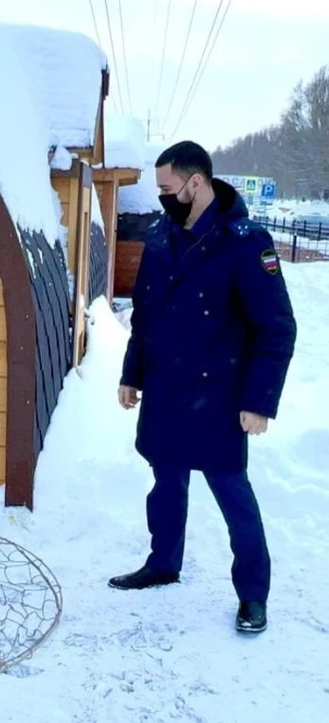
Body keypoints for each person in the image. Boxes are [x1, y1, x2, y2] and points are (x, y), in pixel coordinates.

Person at [110, 140, 296, 634]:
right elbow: (145, 315)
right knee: (166, 486)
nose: (163, 199)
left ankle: (253, 594)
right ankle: (163, 563)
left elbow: (277, 328)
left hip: (220, 397)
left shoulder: (244, 242)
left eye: (169, 189)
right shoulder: (161, 234)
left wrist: (260, 403)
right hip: (167, 388)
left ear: (196, 183)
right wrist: (132, 373)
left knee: (234, 497)